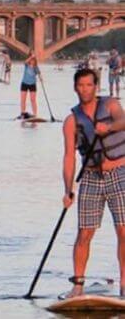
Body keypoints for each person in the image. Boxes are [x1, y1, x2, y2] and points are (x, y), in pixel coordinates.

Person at [61, 68, 125, 298]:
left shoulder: (110, 105)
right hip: (90, 177)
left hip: (119, 173)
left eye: (89, 85)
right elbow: (69, 157)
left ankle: (124, 285)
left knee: (123, 230)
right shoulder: (71, 121)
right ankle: (78, 285)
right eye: (80, 85)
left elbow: (122, 120)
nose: (84, 89)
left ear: (95, 86)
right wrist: (68, 189)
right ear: (75, 88)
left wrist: (107, 128)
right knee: (84, 233)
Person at [20, 54, 40, 118]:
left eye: (33, 60)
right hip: (24, 83)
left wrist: (41, 79)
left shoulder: (36, 67)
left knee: (33, 100)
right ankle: (23, 112)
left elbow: (39, 74)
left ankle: (35, 114)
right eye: (31, 60)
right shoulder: (26, 65)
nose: (32, 61)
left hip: (32, 84)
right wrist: (31, 56)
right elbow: (25, 62)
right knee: (23, 99)